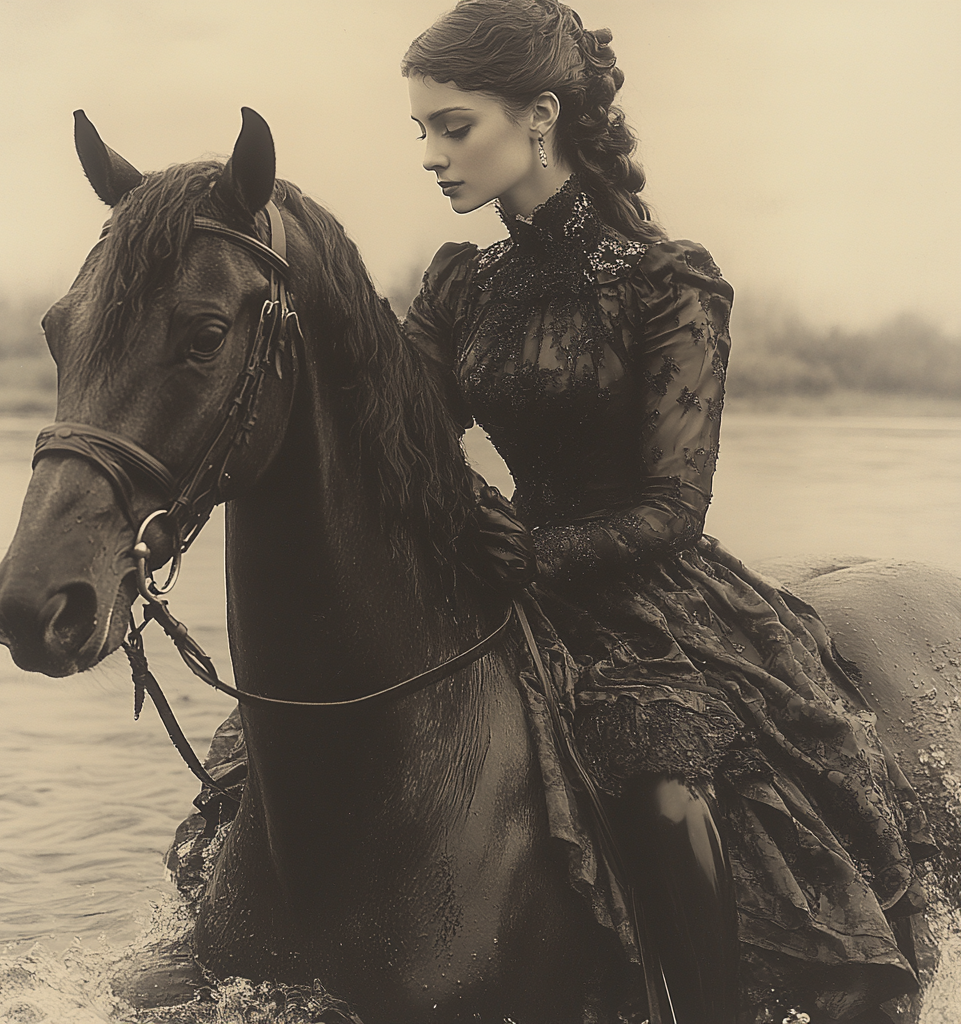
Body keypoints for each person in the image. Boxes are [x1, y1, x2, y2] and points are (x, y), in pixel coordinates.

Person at [400, 2, 935, 1021]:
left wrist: (535, 554)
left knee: (657, 784)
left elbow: (673, 508)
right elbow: (407, 443)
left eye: (451, 125)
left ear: (541, 114)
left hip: (649, 596)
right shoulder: (460, 284)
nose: (429, 153)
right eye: (418, 129)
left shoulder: (666, 282)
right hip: (497, 567)